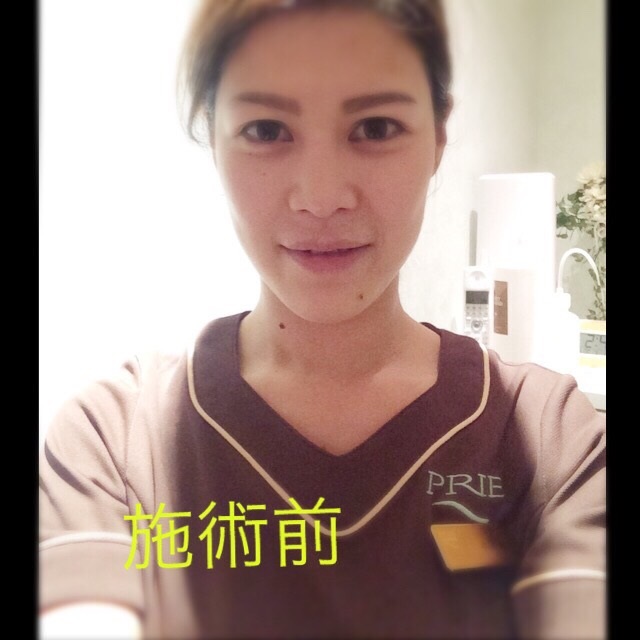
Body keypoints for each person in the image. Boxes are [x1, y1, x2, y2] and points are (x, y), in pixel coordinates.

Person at [39, 1, 606, 638]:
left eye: (376, 127)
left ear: (438, 140)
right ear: (213, 139)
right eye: (266, 130)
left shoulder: (551, 440)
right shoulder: (114, 442)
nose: (321, 197)